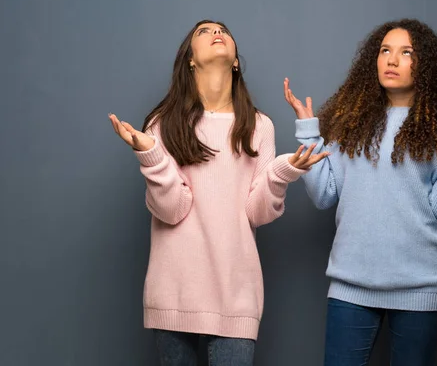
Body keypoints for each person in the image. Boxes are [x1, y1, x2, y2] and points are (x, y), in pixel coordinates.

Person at [284, 19, 437, 366]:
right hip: (350, 287)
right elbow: (324, 194)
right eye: (385, 50)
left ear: (425, 65)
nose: (391, 60)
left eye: (405, 52)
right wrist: (310, 134)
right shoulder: (351, 126)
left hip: (420, 291)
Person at [109, 20, 326, 366]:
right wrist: (151, 155)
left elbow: (258, 212)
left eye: (222, 30)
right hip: (173, 294)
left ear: (236, 60)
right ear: (190, 60)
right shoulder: (162, 125)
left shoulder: (258, 125)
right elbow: (171, 209)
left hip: (235, 296)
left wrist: (284, 173)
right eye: (203, 32)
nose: (216, 33)